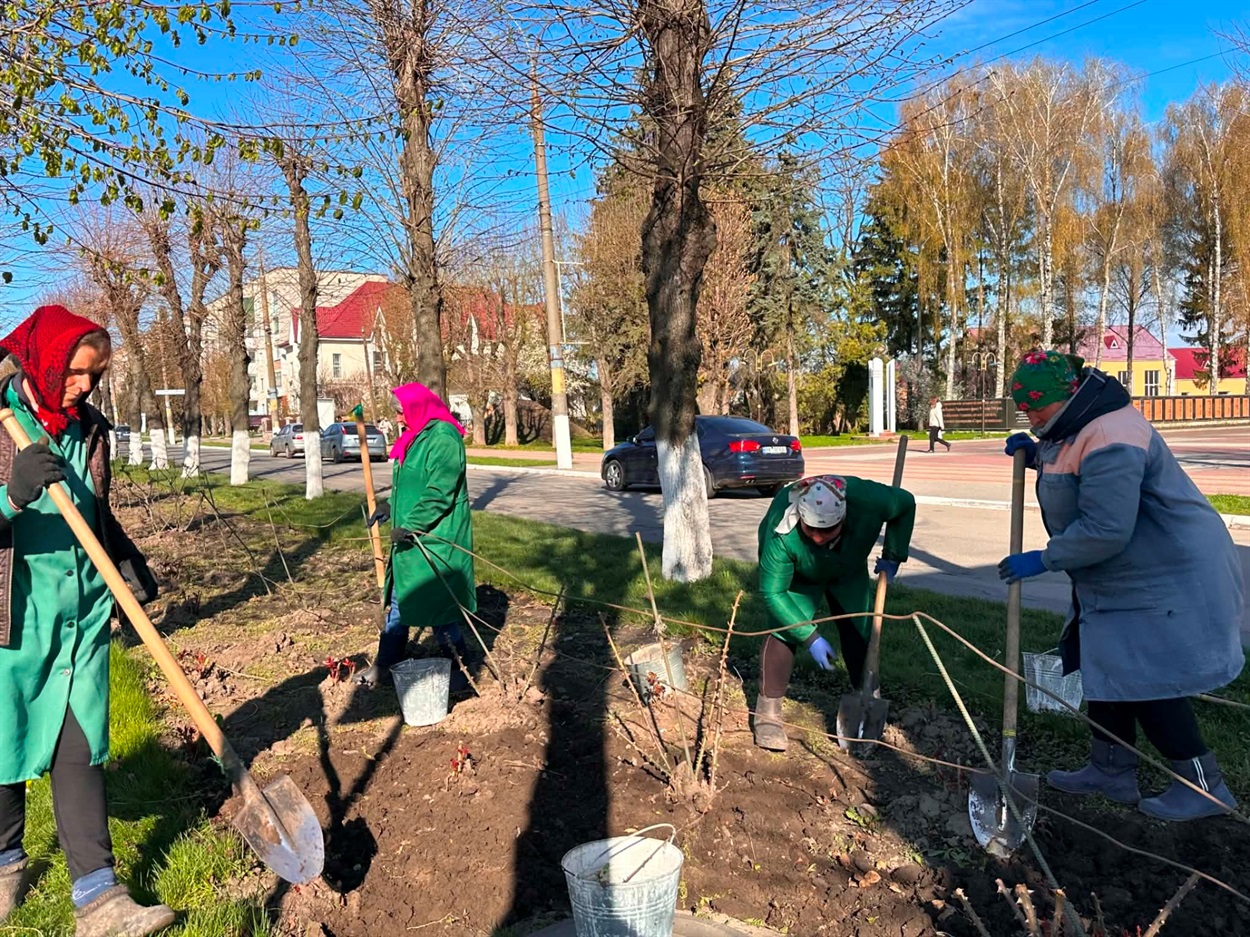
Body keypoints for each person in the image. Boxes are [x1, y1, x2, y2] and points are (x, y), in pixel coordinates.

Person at [999, 349, 1244, 821]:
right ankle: (1110, 769)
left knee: (1148, 676)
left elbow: (1107, 528)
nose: (1031, 417)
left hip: (1166, 570)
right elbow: (1077, 472)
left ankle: (1204, 786)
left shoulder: (1113, 433)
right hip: (1119, 571)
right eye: (1024, 409)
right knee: (1104, 663)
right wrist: (1037, 456)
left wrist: (1045, 559)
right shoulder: (1075, 423)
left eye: (1036, 407)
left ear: (1065, 397)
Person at [0, 306, 174, 934]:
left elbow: (90, 509)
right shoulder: (1, 423)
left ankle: (99, 901)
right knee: (5, 744)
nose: (84, 386)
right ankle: (4, 865)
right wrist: (10, 495)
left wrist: (122, 556)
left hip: (82, 612)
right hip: (15, 618)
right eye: (74, 372)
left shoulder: (91, 429)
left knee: (79, 749)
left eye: (95, 375)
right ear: (44, 363)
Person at [753, 475, 916, 751]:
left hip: (847, 567)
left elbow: (906, 504)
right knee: (785, 631)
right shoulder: (780, 532)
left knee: (859, 628)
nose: (818, 538)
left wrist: (894, 553)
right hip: (800, 574)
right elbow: (773, 593)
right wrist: (811, 637)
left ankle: (867, 694)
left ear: (844, 517)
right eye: (811, 529)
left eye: (827, 530)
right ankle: (767, 714)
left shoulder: (870, 501)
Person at [357, 382, 477, 690]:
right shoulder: (415, 436)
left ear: (418, 407)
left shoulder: (443, 437)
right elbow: (412, 485)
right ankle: (386, 664)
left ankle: (461, 671)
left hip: (436, 538)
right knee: (401, 599)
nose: (398, 418)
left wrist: (412, 524)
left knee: (439, 607)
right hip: (412, 539)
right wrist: (390, 507)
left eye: (401, 412)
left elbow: (440, 491)